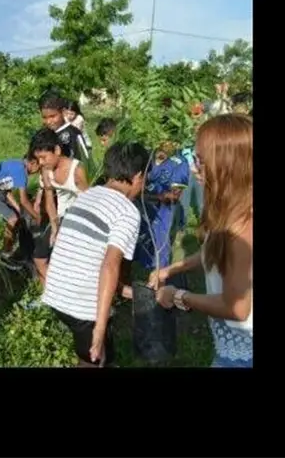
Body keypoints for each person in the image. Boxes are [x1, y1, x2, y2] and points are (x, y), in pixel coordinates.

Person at [149, 114, 253, 368]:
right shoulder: (231, 207)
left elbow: (237, 308)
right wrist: (172, 269)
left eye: (201, 162)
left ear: (227, 165)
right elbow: (213, 252)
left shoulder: (242, 227)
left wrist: (179, 295)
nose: (194, 169)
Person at [41, 142, 148, 367]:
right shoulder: (127, 211)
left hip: (55, 291)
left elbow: (86, 257)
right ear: (138, 176)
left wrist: (131, 292)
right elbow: (110, 266)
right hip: (80, 303)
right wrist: (99, 329)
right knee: (94, 359)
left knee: (101, 351)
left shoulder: (87, 195)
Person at [29, 128, 90, 286]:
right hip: (61, 217)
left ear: (57, 150)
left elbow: (90, 202)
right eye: (38, 158)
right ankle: (51, 292)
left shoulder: (77, 171)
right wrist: (54, 227)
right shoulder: (46, 170)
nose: (41, 163)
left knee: (69, 263)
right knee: (39, 258)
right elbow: (49, 200)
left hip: (81, 218)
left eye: (43, 157)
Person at [135, 141, 190, 288]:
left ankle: (160, 285)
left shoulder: (179, 163)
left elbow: (174, 195)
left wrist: (152, 196)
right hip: (143, 209)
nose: (164, 145)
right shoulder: (146, 156)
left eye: (169, 141)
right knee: (141, 245)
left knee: (161, 248)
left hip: (164, 212)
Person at [0, 153, 42, 267]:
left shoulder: (16, 165)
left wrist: (18, 208)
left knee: (17, 215)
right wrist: (37, 217)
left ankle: (9, 245)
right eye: (39, 167)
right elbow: (24, 200)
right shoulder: (21, 172)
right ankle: (5, 252)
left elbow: (6, 191)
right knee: (13, 218)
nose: (39, 170)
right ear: (33, 163)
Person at [38, 90, 90, 162]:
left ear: (63, 112)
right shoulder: (43, 134)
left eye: (52, 116)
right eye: (44, 117)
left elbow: (84, 161)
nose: (48, 121)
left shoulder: (74, 134)